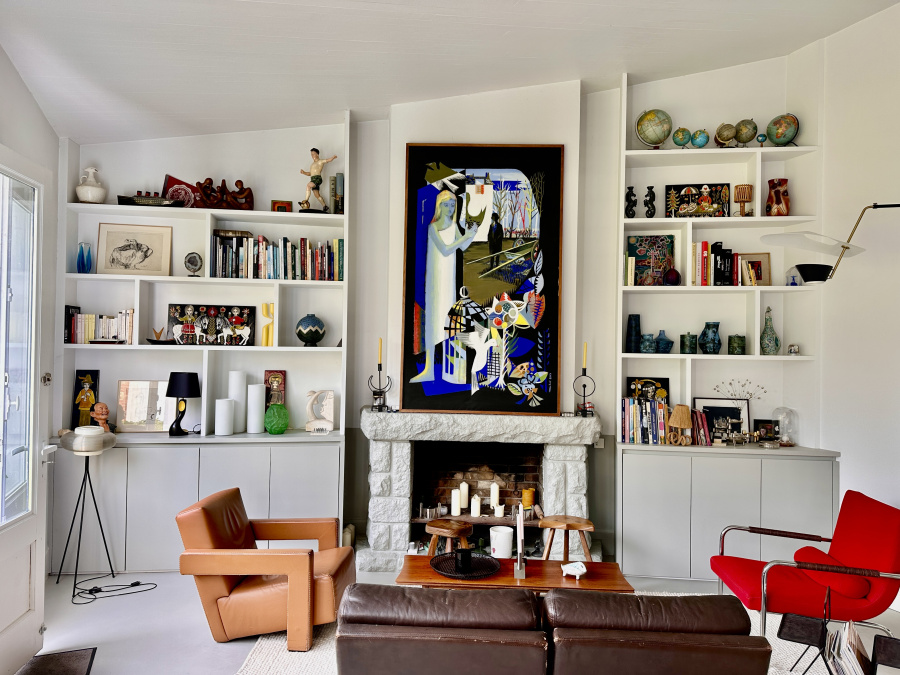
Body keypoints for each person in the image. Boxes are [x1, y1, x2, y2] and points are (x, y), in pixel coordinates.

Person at [410, 190, 478, 383]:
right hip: (435, 282)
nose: (449, 208)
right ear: (439, 206)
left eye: (452, 205)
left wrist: (471, 235)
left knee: (449, 323)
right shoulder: (433, 227)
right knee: (433, 324)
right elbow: (446, 250)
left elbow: (462, 247)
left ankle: (453, 373)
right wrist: (465, 237)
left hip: (448, 281)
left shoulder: (453, 226)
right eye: (446, 205)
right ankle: (429, 370)